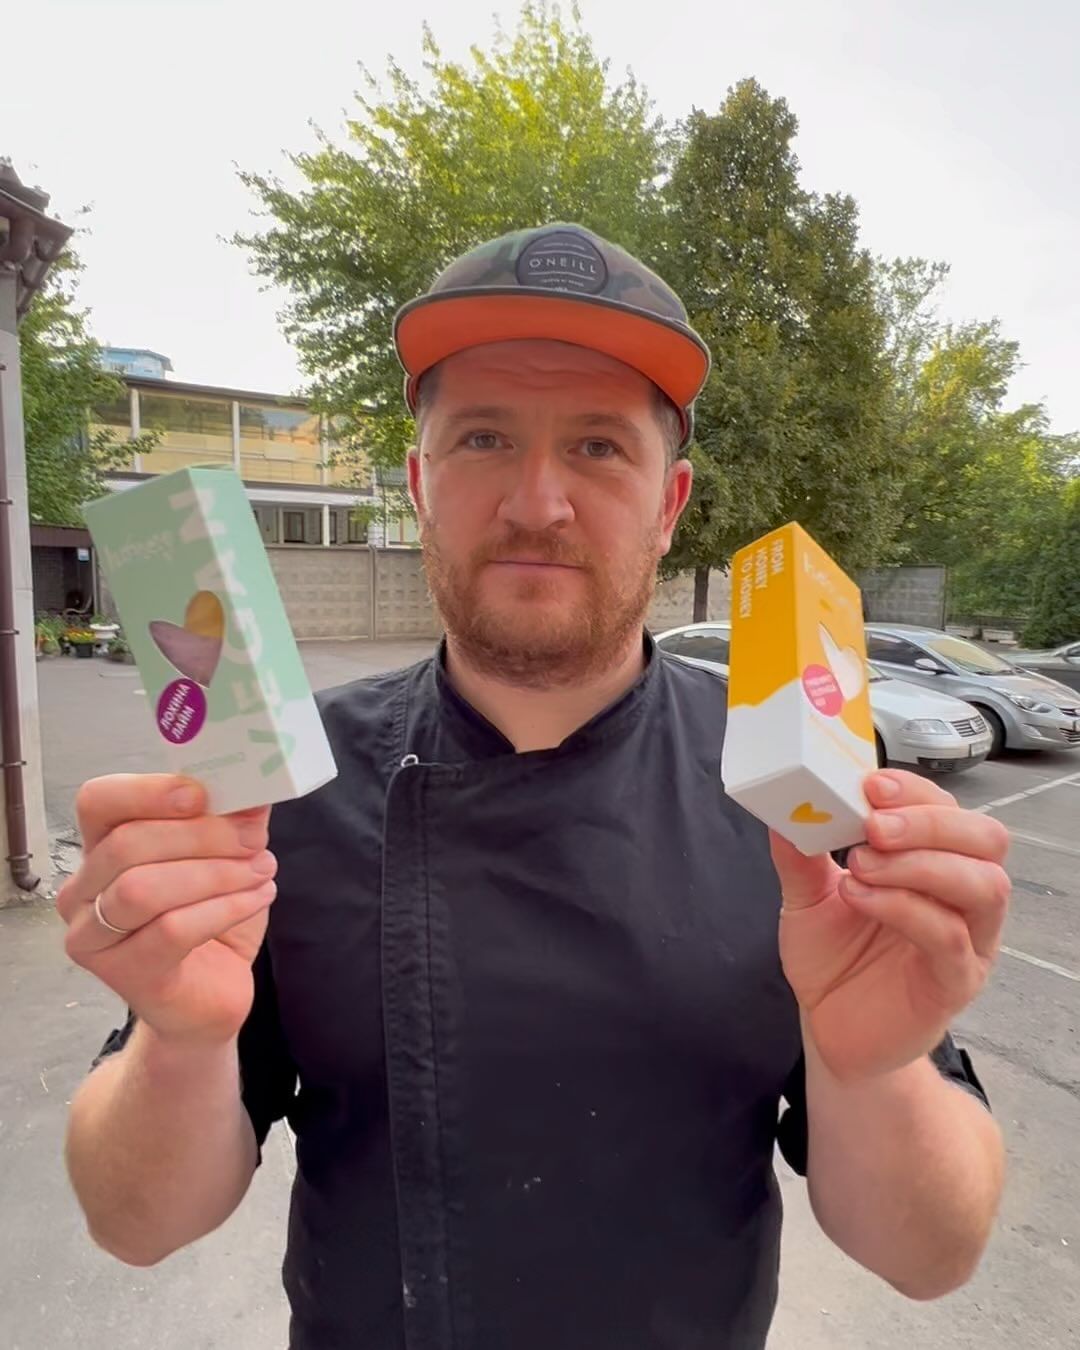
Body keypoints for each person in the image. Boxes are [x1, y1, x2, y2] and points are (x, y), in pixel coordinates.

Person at [59, 224, 1009, 1350]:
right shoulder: (284, 788)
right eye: (485, 438)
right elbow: (137, 1225)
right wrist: (178, 1041)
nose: (538, 502)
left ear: (670, 503)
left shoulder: (799, 798)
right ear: (420, 481)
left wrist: (878, 1068)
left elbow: (930, 1257)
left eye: (600, 446)